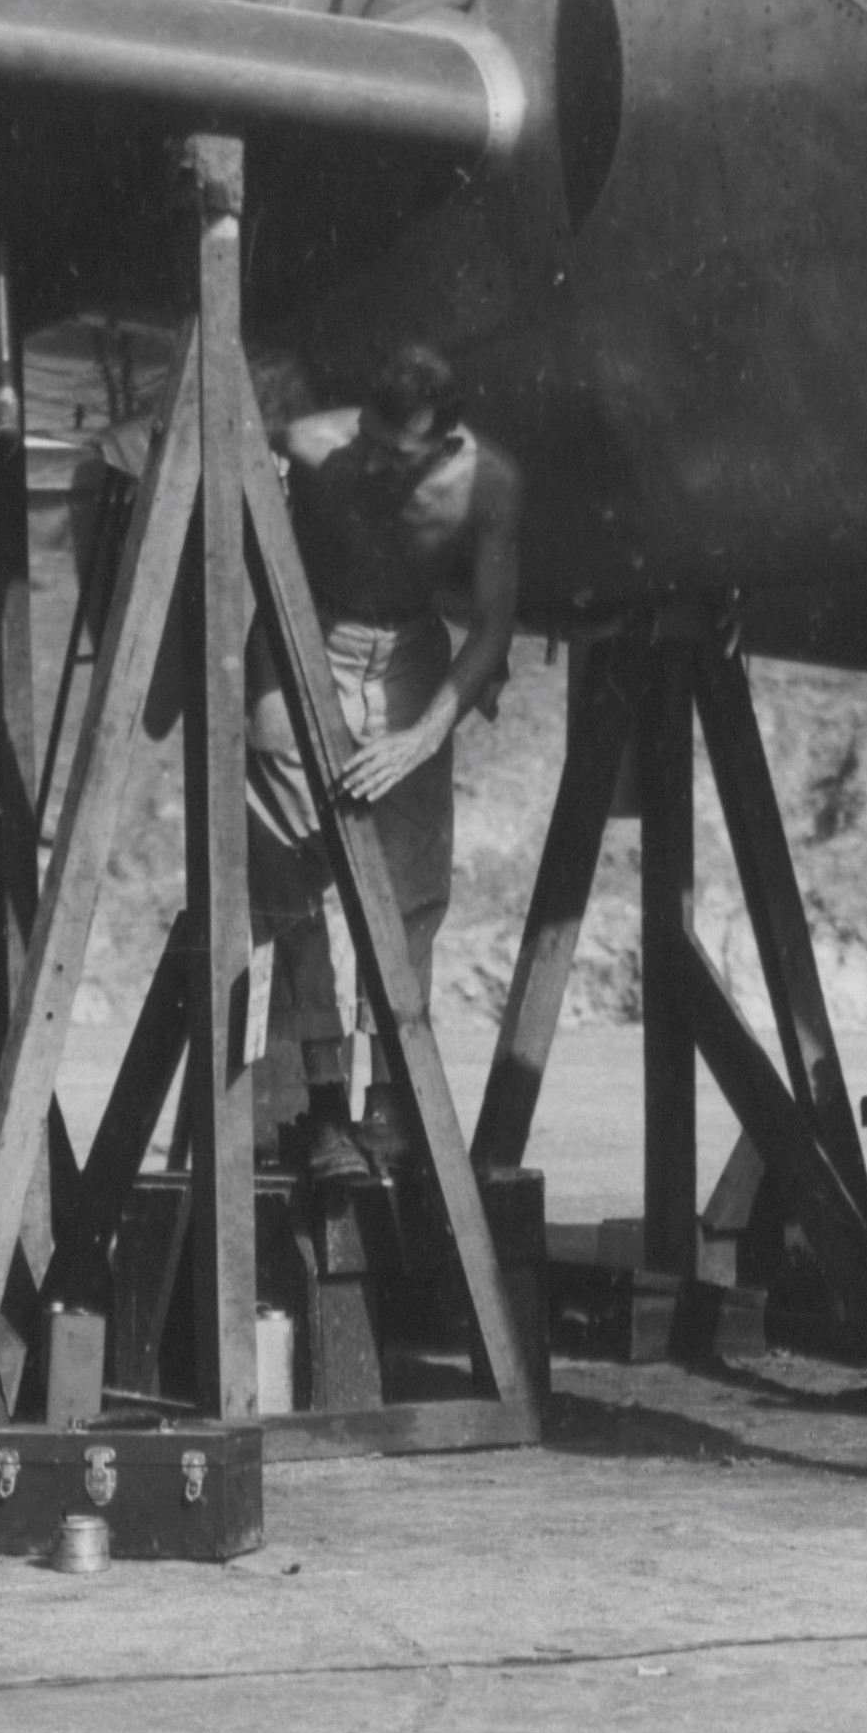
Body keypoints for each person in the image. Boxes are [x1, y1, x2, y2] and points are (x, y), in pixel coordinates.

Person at [248, 341, 522, 1181]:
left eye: (392, 454)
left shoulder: (488, 484)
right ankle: (324, 1105)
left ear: (443, 447)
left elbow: (494, 627)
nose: (371, 463)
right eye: (366, 441)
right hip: (310, 632)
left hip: (409, 648)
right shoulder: (309, 445)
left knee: (409, 876)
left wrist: (422, 736)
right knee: (291, 858)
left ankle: (387, 1103)